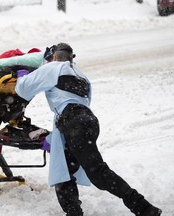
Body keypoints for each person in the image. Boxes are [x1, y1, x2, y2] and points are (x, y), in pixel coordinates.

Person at [15, 42, 162, 216]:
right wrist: (59, 135)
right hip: (87, 121)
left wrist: (22, 75)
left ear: (54, 57)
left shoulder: (53, 68)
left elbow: (23, 89)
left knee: (98, 173)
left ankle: (143, 207)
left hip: (73, 122)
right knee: (65, 169)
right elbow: (77, 104)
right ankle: (73, 212)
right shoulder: (82, 76)